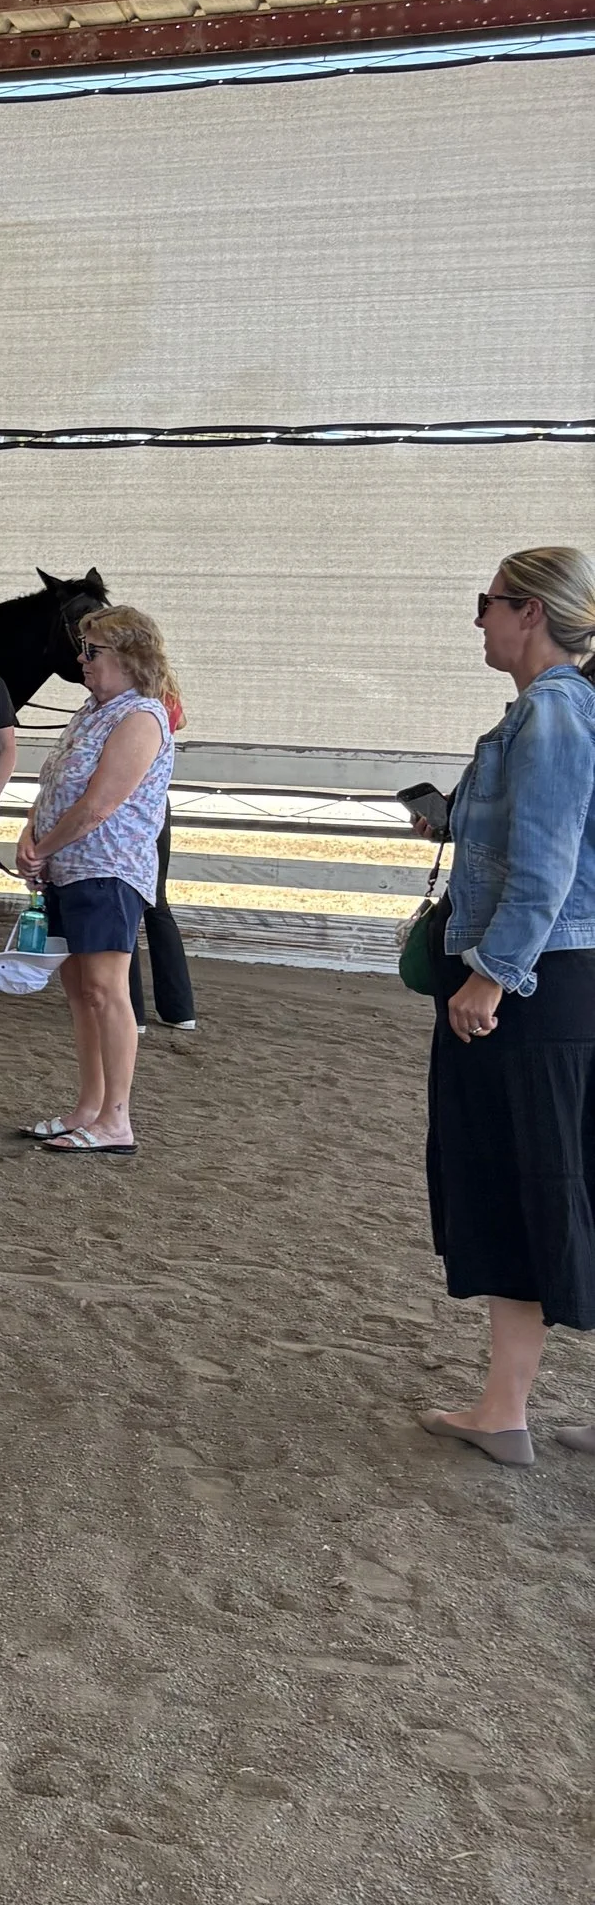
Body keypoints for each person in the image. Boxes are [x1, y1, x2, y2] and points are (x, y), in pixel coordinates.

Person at [417, 547, 595, 1469]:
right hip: (558, 978)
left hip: (531, 981)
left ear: (529, 611)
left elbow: (549, 865)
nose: (477, 619)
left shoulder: (554, 711)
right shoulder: (558, 711)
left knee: (519, 1180)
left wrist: (491, 972)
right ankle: (504, 1404)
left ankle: (506, 1407)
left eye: (485, 602)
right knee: (559, 1181)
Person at [12, 607, 179, 1158]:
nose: (80, 662)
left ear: (131, 658)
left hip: (108, 870)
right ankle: (88, 1105)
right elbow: (57, 781)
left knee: (106, 990)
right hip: (69, 867)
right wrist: (32, 833)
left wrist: (44, 844)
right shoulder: (93, 710)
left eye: (92, 652)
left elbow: (100, 804)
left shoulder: (141, 717)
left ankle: (116, 1117)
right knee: (82, 991)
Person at [129, 666, 197, 1037]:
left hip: (128, 801)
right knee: (157, 902)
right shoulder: (162, 689)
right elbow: (181, 721)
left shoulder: (128, 699)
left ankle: (131, 1012)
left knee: (121, 904)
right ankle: (179, 1008)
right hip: (157, 800)